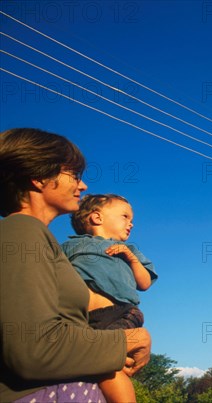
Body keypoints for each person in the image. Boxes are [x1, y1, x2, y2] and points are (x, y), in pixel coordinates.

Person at [0, 128, 151, 403]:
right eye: (74, 176)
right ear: (39, 177)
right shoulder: (22, 230)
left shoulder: (39, 239)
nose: (82, 186)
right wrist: (130, 340)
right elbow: (32, 349)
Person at [62, 194, 158, 402]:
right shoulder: (70, 247)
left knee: (109, 367)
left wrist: (131, 258)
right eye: (125, 216)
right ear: (97, 218)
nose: (131, 223)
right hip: (82, 319)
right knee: (87, 367)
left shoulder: (130, 250)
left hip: (119, 313)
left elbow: (144, 283)